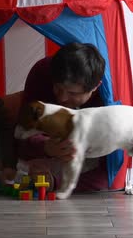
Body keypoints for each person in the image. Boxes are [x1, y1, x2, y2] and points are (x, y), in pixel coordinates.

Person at [16, 42, 119, 192]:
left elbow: (108, 175)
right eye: (58, 88)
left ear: (96, 87)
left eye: (73, 93)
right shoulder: (43, 71)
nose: (62, 98)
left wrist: (56, 182)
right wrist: (45, 147)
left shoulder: (109, 101)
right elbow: (20, 134)